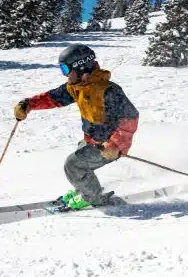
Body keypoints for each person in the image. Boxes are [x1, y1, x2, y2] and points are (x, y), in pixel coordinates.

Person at [13, 44, 139, 210]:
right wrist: (28, 104)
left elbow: (130, 118)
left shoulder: (108, 91)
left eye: (66, 69)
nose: (65, 75)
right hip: (92, 140)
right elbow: (53, 98)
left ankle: (94, 197)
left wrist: (115, 145)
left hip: (110, 145)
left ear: (81, 68)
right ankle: (85, 189)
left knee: (73, 165)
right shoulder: (76, 87)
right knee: (80, 161)